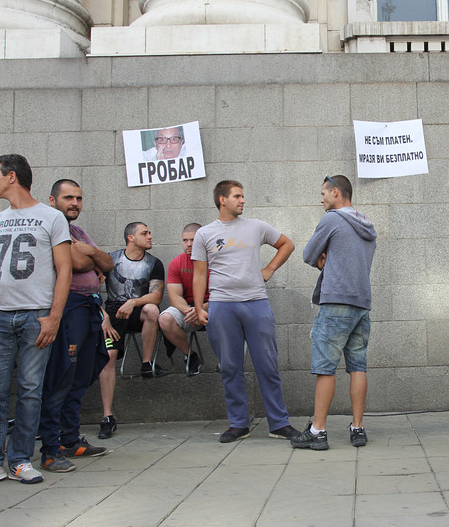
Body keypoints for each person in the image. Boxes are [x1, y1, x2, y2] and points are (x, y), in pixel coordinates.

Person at [192, 180, 299, 443]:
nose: (242, 200)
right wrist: (197, 307)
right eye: (237, 196)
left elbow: (287, 244)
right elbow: (199, 274)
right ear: (222, 200)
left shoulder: (257, 227)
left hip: (256, 304)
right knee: (230, 367)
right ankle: (239, 423)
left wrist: (270, 269)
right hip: (222, 306)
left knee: (268, 365)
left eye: (242, 196)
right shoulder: (204, 234)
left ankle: (279, 423)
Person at [0, 154, 71, 484]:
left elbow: (65, 269)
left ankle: (19, 459)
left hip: (36, 316)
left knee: (29, 390)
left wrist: (54, 317)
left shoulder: (51, 217)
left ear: (11, 177)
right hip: (0, 315)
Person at [291, 175, 377, 450]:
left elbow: (308, 254)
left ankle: (318, 431)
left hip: (336, 302)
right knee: (357, 367)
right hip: (361, 303)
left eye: (323, 194)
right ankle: (358, 428)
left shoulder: (332, 219)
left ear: (337, 192)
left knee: (325, 368)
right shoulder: (367, 224)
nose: (321, 199)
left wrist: (322, 257)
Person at [38, 180, 113, 473]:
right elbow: (77, 263)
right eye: (68, 197)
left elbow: (107, 263)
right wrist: (92, 257)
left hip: (89, 308)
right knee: (61, 378)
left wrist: (92, 255)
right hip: (68, 308)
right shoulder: (51, 227)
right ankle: (50, 448)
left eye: (79, 198)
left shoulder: (78, 232)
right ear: (52, 200)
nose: (75, 203)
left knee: (82, 375)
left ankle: (71, 440)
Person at [98, 222, 166, 439]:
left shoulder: (154, 263)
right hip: (112, 313)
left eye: (149, 232)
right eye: (144, 233)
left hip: (137, 310)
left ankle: (146, 364)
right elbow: (90, 289)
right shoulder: (110, 260)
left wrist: (133, 302)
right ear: (130, 238)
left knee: (152, 310)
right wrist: (103, 316)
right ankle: (107, 416)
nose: (149, 236)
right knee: (108, 357)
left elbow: (156, 297)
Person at [158, 223, 206, 376]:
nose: (189, 244)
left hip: (213, 306)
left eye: (193, 240)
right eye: (185, 240)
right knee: (165, 318)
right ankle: (190, 355)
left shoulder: (217, 261)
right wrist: (190, 311)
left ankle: (226, 360)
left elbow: (224, 294)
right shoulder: (176, 263)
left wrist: (203, 308)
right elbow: (175, 297)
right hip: (189, 308)